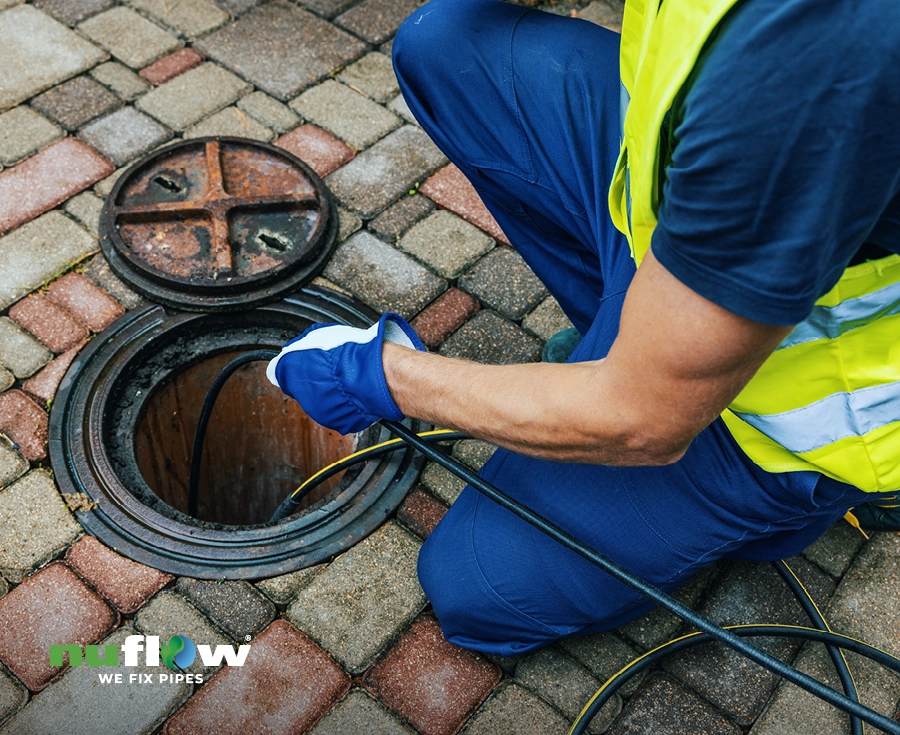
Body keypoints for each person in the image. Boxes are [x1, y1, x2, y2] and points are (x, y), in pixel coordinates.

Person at [268, 0, 900, 657]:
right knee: (446, 45)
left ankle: (780, 513)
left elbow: (644, 417)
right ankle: (637, 335)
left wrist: (383, 376)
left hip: (767, 415)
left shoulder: (814, 61)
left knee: (477, 585)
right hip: (693, 213)